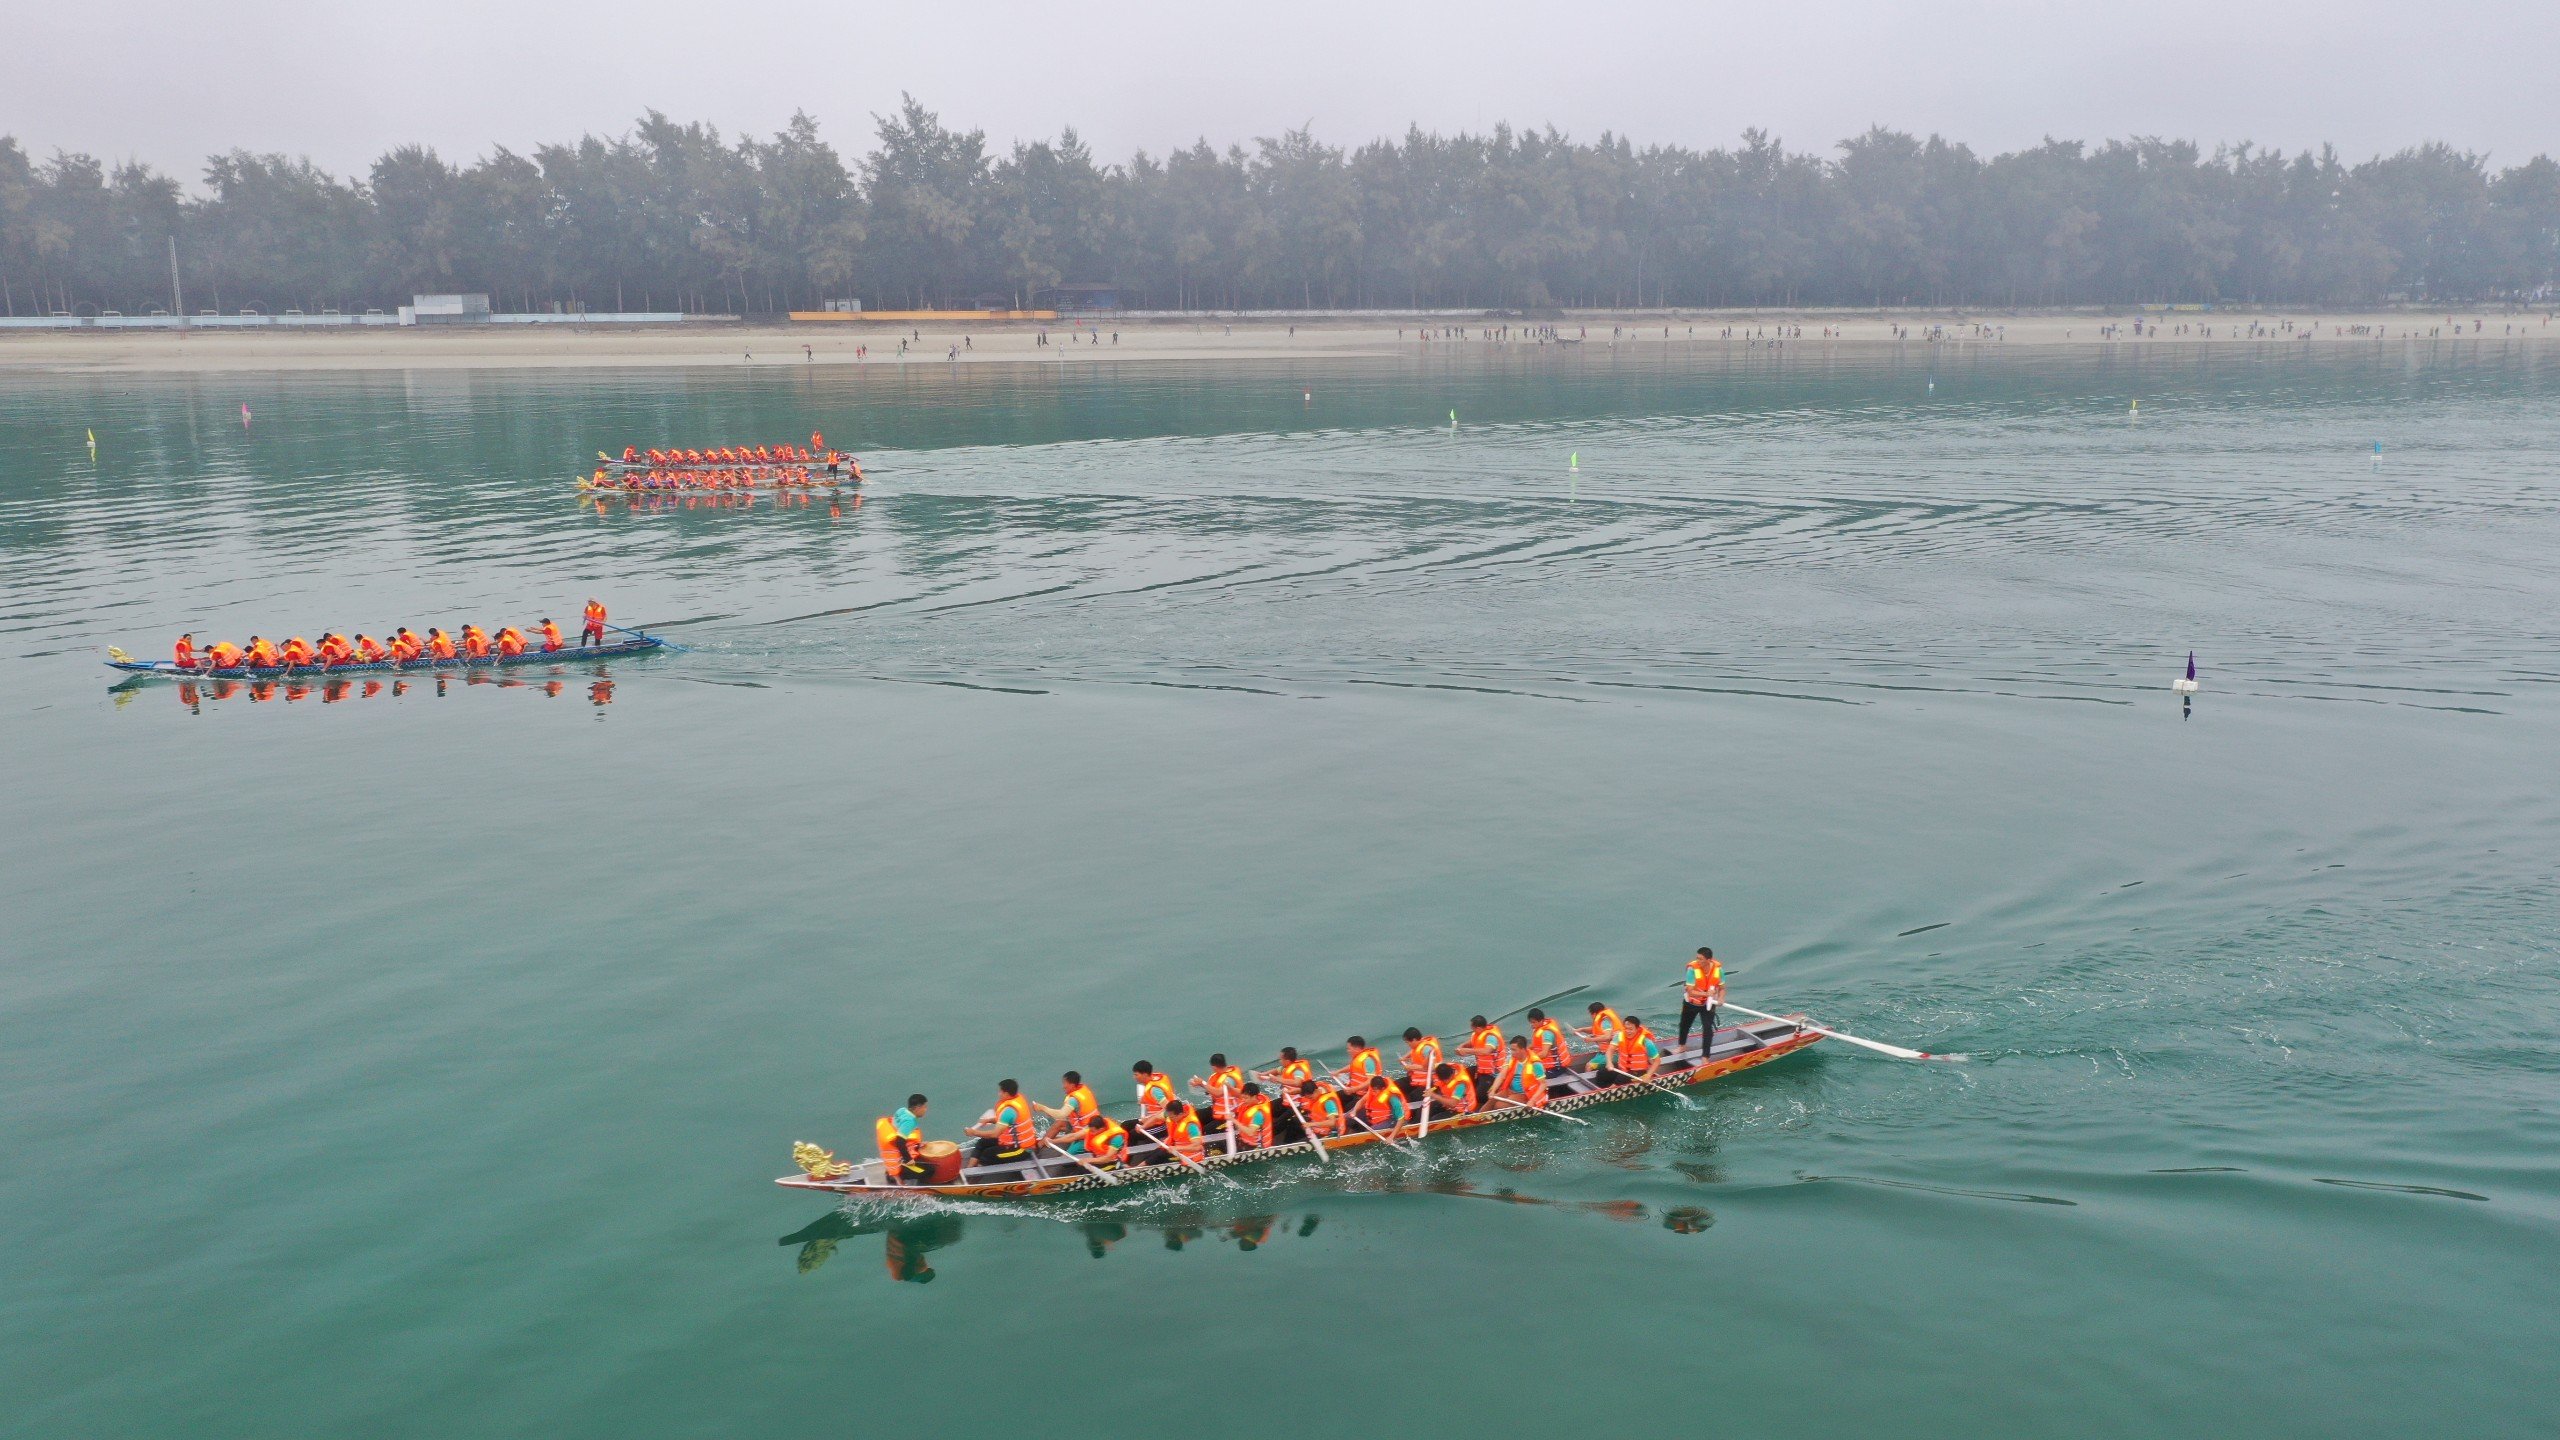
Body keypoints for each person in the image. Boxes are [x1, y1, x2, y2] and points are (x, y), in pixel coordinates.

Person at [965, 1079, 1041, 1166]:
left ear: (1006, 1093)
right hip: (1011, 1143)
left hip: (1022, 1150)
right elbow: (1005, 1121)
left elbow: (995, 1134)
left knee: (987, 1155)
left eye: (1000, 1091)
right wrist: (988, 1120)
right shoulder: (1017, 1100)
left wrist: (974, 1132)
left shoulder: (1009, 1111)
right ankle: (969, 1171)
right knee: (981, 1143)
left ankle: (973, 1178)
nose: (999, 1094)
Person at [1591, 1014, 1662, 1086]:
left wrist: (1648, 1075)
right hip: (1622, 1069)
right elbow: (1610, 1051)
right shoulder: (1619, 1036)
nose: (1628, 1031)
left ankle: (1611, 1090)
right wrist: (1609, 1063)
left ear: (1637, 1029)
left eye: (1631, 1029)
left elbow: (1657, 1061)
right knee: (1601, 1073)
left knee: (1620, 1080)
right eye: (1626, 1028)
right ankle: (1603, 1092)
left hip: (1638, 1071)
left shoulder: (1646, 1041)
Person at [876, 1093, 930, 1184]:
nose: (926, 1109)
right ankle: (895, 1177)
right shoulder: (909, 1121)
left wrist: (917, 1145)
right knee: (929, 1171)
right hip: (898, 1162)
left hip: (893, 1156)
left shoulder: (902, 1111)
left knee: (923, 1160)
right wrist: (908, 1160)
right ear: (918, 1108)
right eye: (924, 1107)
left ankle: (893, 1172)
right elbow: (900, 1141)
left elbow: (899, 1133)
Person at [1680, 946, 1725, 1054]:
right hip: (1691, 1003)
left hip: (1708, 1004)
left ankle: (1705, 1056)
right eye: (1697, 958)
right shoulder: (1692, 970)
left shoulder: (1718, 970)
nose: (1698, 961)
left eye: (1700, 959)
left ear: (1708, 960)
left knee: (1708, 1029)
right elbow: (1690, 991)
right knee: (1684, 1024)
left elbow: (1722, 988)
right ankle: (1682, 1046)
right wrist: (1706, 993)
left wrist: (1721, 998)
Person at [1035, 1071, 1101, 1142]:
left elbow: (1061, 1114)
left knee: (1060, 1124)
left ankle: (1040, 1146)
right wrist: (1051, 1113)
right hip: (1094, 1124)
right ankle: (1042, 1143)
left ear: (1072, 1085)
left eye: (1064, 1083)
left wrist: (1042, 1108)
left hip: (1085, 1131)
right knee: (1059, 1123)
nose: (1063, 1087)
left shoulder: (1074, 1099)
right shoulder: (1083, 1090)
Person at [1190, 1053, 1245, 1132]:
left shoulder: (1230, 1079)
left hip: (1231, 1115)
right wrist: (1199, 1085)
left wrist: (1202, 1082)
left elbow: (1219, 1093)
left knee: (1207, 1130)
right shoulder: (1217, 1076)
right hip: (1217, 1110)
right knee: (1194, 1117)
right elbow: (1211, 1090)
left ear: (1214, 1067)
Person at [1491, 1036, 1550, 1109]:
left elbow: (1543, 1084)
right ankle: (1480, 1118)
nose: (1511, 1052)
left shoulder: (1535, 1063)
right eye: (1511, 1049)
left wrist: (1532, 1100)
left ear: (1522, 1049)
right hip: (1510, 1091)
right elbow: (1501, 1075)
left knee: (1499, 1105)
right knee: (1491, 1100)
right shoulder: (1511, 1059)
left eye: (1514, 1050)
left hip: (1525, 1094)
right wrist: (1493, 1090)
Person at [1130, 1061, 1176, 1137]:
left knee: (1133, 1134)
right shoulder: (1155, 1078)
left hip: (1163, 1123)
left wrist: (1148, 1120)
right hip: (1153, 1118)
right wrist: (1144, 1099)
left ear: (1144, 1074)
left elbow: (1169, 1110)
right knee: (1126, 1125)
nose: (1134, 1077)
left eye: (1136, 1075)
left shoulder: (1154, 1090)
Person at [1293, 1078, 1345, 1143]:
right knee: (1295, 1120)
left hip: (1330, 1132)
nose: (1310, 1099)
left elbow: (1332, 1123)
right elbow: (1301, 1090)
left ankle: (1297, 1142)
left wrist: (1311, 1124)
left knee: (1300, 1142)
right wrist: (1290, 1092)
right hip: (1318, 1125)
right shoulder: (1317, 1087)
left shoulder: (1328, 1102)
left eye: (1310, 1098)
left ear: (1315, 1091)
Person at [1461, 1015, 1504, 1090]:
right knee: (1463, 1077)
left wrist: (1467, 1051)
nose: (1473, 1031)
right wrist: (1461, 1046)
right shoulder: (1478, 1035)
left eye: (1473, 1029)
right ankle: (1463, 1094)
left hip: (1493, 1074)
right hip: (1481, 1070)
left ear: (1478, 1028)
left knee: (1480, 1095)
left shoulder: (1491, 1037)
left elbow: (1487, 1051)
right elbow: (1471, 1042)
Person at [1400, 1028, 1443, 1100]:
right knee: (1398, 1084)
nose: (1408, 1045)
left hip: (1431, 1081)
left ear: (1414, 1040)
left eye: (1408, 1042)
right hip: (1418, 1078)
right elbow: (1414, 1051)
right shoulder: (1418, 1045)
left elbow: (1432, 1068)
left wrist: (1412, 1067)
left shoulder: (1427, 1049)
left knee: (1413, 1096)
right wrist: (1405, 1057)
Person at [1159, 1098, 1206, 1164]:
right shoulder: (1177, 1122)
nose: (1170, 1119)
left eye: (1172, 1117)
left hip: (1193, 1159)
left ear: (1180, 1114)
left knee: (1159, 1157)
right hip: (1182, 1155)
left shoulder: (1191, 1126)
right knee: (1159, 1154)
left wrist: (1178, 1148)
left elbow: (1197, 1147)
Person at [1527, 1008, 1574, 1073]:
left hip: (1556, 1067)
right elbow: (1533, 1045)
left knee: (1528, 1074)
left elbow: (1544, 1054)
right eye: (1530, 1022)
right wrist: (1525, 1052)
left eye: (1534, 1022)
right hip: (1548, 1065)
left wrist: (1528, 1059)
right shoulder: (1540, 1028)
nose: (1531, 1025)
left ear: (1541, 1021)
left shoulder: (1547, 1033)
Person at [1230, 1084, 1275, 1150]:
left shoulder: (1259, 1113)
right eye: (1243, 1098)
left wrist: (1233, 1120)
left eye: (1246, 1098)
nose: (1243, 1100)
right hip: (1245, 1140)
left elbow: (1250, 1132)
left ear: (1254, 1097)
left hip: (1257, 1147)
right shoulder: (1248, 1105)